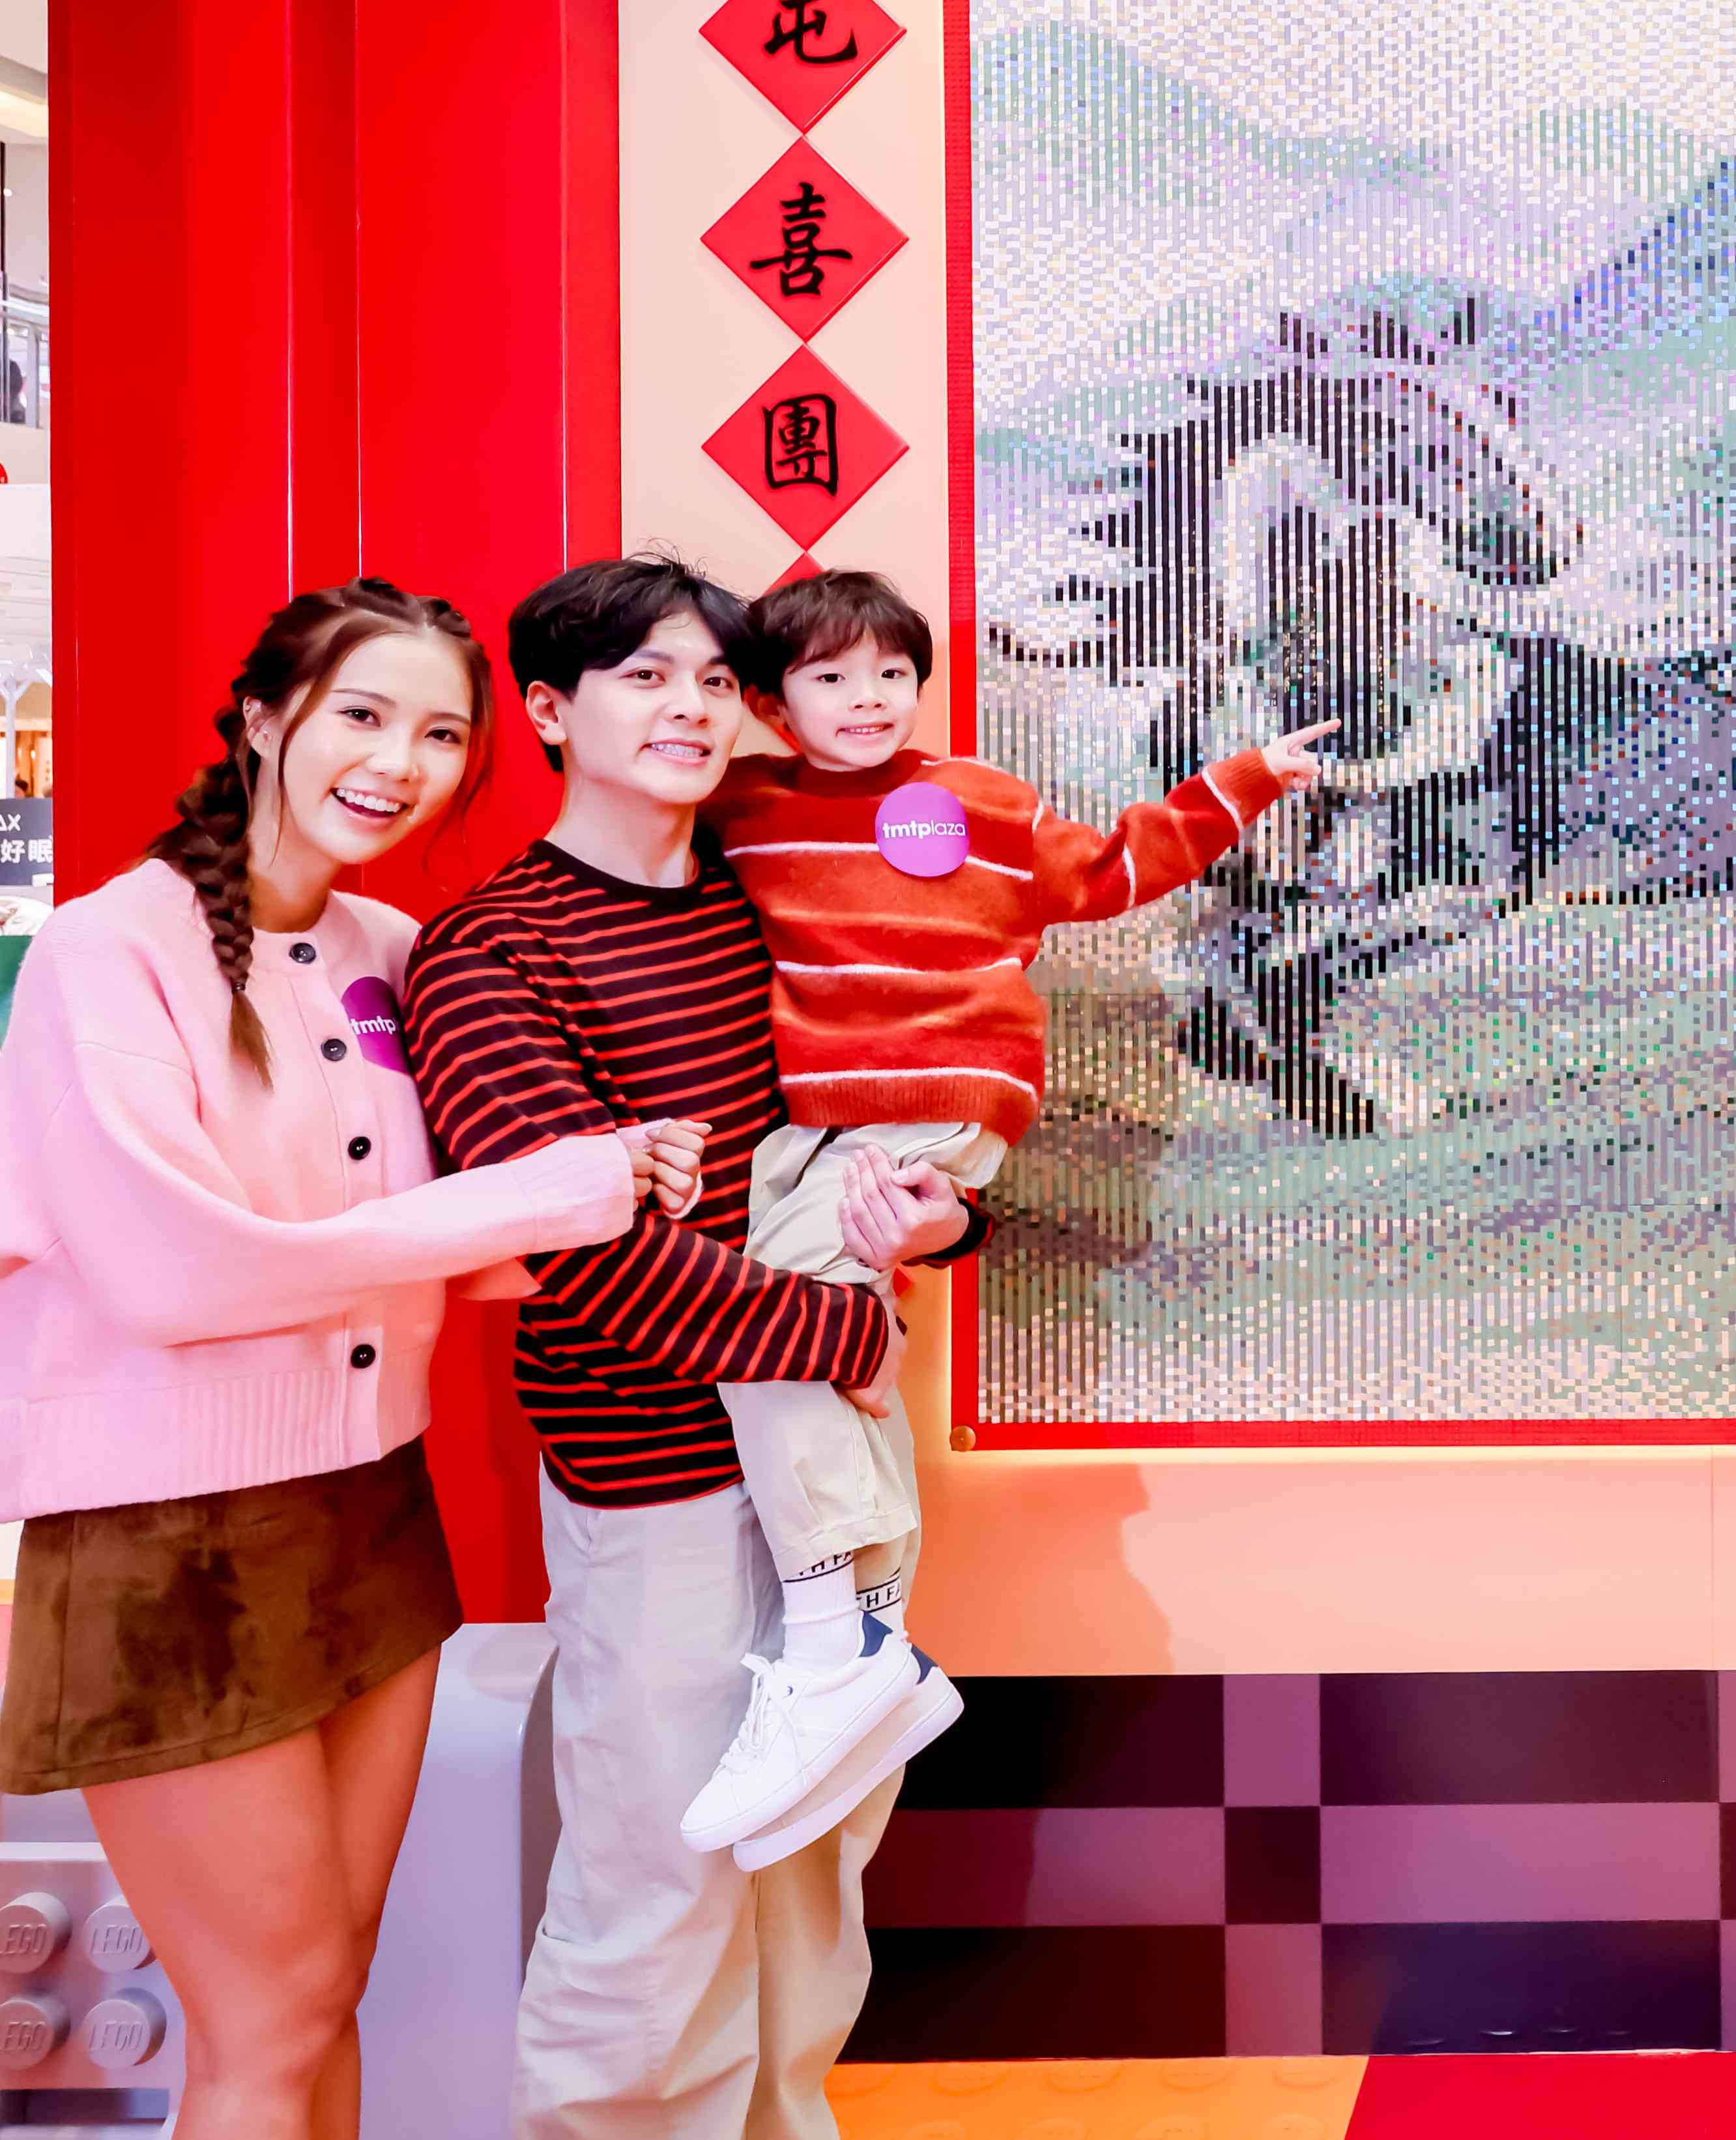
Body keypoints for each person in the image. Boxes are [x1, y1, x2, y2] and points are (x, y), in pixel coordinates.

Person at [0, 580, 701, 2140]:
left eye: (441, 733)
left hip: (373, 1505)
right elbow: (173, 1271)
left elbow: (458, 1242)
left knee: (326, 1990)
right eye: (362, 714)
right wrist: (548, 1190)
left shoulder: (395, 945)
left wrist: (654, 1190)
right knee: (269, 2016)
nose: (399, 761)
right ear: (264, 717)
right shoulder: (108, 950)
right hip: (166, 1540)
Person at [399, 557, 974, 2140]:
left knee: (814, 1877)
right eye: (646, 676)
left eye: (717, 680)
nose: (692, 708)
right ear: (546, 710)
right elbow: (593, 1265)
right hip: (656, 1478)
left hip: (835, 1465)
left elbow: (879, 1119)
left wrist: (942, 1222)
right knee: (658, 1893)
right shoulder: (488, 951)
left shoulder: (772, 897)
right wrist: (856, 1325)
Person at [678, 568, 1329, 1853]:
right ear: (770, 704)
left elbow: (1114, 870)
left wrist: (1246, 777)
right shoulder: (742, 807)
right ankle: (870, 1639)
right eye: (830, 676)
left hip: (932, 1103)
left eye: (892, 673)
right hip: (810, 1127)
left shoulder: (978, 799)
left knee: (768, 1337)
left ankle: (833, 1647)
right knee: (828, 1358)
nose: (869, 697)